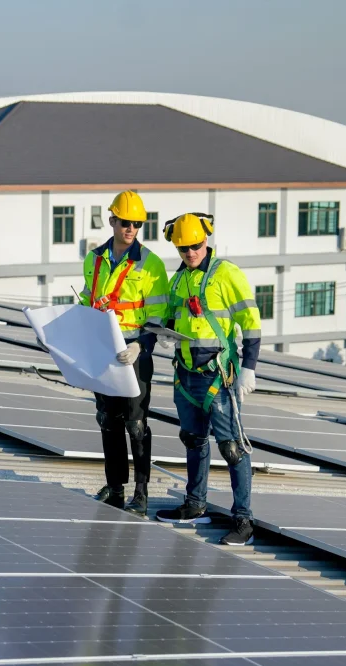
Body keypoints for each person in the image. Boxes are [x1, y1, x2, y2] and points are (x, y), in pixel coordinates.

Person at [154, 213, 261, 545]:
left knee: (232, 447)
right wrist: (162, 332)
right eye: (184, 248)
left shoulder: (226, 274)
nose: (190, 253)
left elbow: (251, 323)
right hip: (185, 375)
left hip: (218, 375)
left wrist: (249, 367)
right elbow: (171, 315)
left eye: (196, 246)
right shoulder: (179, 279)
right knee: (194, 440)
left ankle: (243, 519)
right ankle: (195, 503)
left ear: (207, 241)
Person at [78, 190, 169, 516]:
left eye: (137, 224)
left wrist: (140, 345)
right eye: (125, 222)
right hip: (103, 349)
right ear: (112, 220)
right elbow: (88, 299)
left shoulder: (152, 264)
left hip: (134, 353)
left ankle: (141, 494)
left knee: (136, 424)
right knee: (108, 421)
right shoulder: (94, 258)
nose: (131, 228)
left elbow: (159, 317)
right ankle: (115, 488)